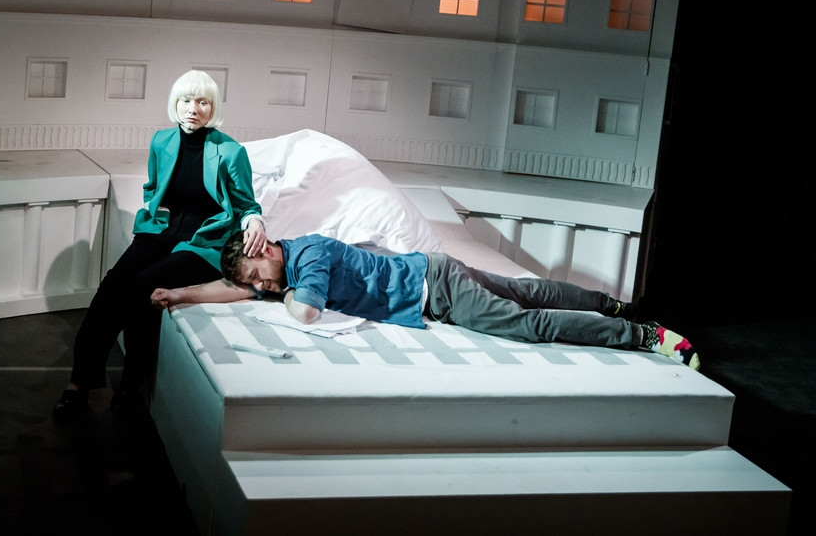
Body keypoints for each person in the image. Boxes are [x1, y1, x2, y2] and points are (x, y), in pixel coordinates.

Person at [151, 230, 700, 370]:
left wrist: (286, 292)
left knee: (526, 321)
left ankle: (644, 335)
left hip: (437, 289)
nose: (263, 288)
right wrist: (181, 293)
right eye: (258, 284)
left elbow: (307, 311)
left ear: (267, 249)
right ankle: (613, 304)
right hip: (435, 271)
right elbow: (235, 287)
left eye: (261, 275)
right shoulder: (280, 267)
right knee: (528, 288)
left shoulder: (307, 259)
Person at [53, 71, 267, 420]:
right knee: (112, 285)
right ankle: (79, 382)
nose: (193, 109)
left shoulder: (230, 151)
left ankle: (131, 384)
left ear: (213, 107)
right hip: (163, 230)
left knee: (145, 284)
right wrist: (158, 215)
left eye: (202, 102)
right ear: (175, 104)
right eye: (186, 100)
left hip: (205, 238)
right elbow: (154, 188)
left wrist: (254, 220)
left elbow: (246, 203)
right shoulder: (161, 141)